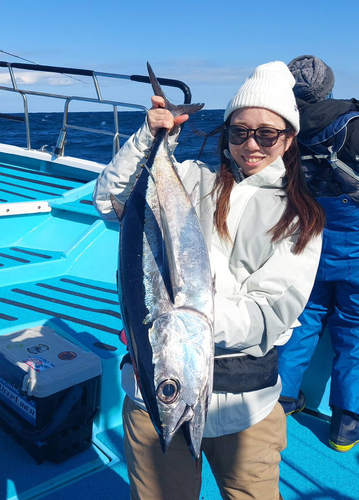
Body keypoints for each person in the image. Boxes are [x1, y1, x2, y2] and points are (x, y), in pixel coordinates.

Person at [93, 61, 324, 500]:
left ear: (289, 137)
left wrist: (189, 319)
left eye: (266, 133)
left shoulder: (301, 216)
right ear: (226, 133)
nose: (250, 144)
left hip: (244, 409)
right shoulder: (192, 180)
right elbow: (111, 202)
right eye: (239, 132)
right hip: (157, 398)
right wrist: (151, 137)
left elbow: (270, 312)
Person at [277, 55, 359, 453]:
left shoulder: (280, 128)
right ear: (328, 86)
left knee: (304, 317)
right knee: (355, 331)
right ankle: (346, 423)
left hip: (307, 240)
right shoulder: (353, 123)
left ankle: (282, 399)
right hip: (355, 245)